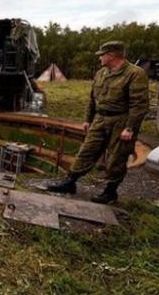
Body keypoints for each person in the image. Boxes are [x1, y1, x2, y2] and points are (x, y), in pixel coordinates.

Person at [47, 41, 149, 204]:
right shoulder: (101, 73)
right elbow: (92, 99)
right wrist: (88, 119)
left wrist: (130, 128)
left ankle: (110, 192)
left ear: (112, 55)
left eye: (102, 54)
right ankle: (70, 182)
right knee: (87, 150)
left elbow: (139, 104)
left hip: (120, 121)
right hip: (100, 119)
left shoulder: (135, 73)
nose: (100, 58)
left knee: (117, 156)